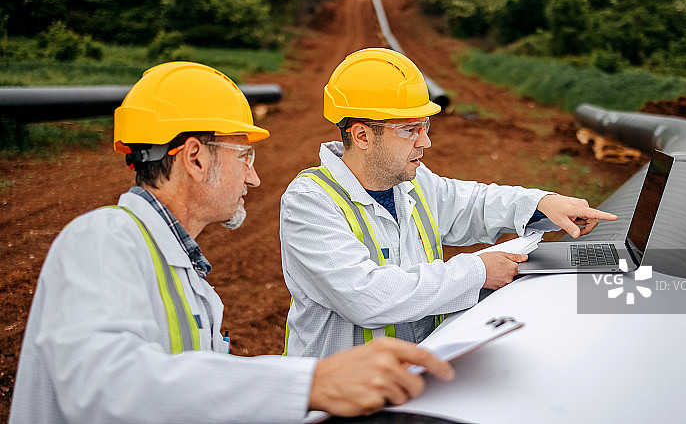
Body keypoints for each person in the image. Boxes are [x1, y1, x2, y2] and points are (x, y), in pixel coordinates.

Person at [9, 61, 454, 424]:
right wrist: (310, 383)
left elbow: (191, 397)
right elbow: (104, 387)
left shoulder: (184, 277)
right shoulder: (102, 239)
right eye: (245, 156)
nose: (254, 177)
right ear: (196, 158)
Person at [280, 48, 618, 358]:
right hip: (337, 399)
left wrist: (543, 202)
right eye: (410, 130)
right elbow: (368, 297)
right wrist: (479, 270)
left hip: (409, 379)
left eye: (424, 126)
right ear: (363, 136)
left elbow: (474, 203)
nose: (425, 141)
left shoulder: (412, 182)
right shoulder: (309, 203)